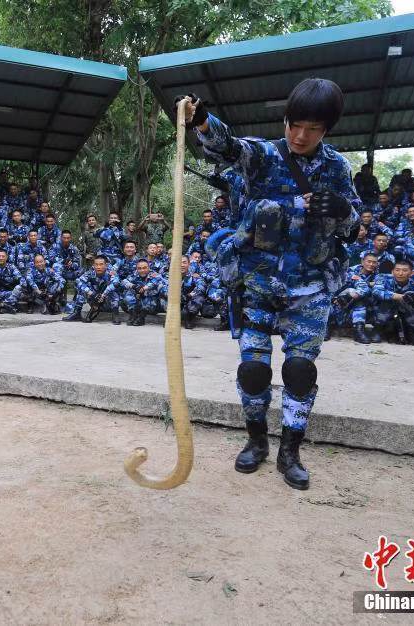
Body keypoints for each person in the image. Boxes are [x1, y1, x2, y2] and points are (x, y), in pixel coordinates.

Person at [180, 77, 360, 490]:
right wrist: (202, 120)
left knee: (299, 370)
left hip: (310, 285)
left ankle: (290, 450)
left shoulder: (337, 168)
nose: (300, 135)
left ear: (327, 130)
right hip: (257, 282)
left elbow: (352, 228)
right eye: (294, 124)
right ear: (285, 120)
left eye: (312, 129)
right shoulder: (262, 156)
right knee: (254, 370)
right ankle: (257, 441)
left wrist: (343, 210)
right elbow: (228, 147)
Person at [63, 255, 121, 324]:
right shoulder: (91, 272)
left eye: (101, 264)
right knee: (83, 287)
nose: (98, 267)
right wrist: (92, 294)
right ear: (94, 265)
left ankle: (115, 314)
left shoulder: (111, 272)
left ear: (106, 265)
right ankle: (77, 313)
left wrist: (103, 295)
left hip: (108, 303)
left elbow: (116, 282)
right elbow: (79, 281)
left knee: (113, 289)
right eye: (96, 265)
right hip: (95, 300)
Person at [120, 259, 163, 326]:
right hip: (138, 301)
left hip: (152, 304)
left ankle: (141, 317)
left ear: (149, 268)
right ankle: (133, 315)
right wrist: (133, 286)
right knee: (128, 292)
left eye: (144, 268)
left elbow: (155, 282)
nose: (142, 270)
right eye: (139, 268)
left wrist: (144, 288)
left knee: (150, 296)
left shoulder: (154, 275)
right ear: (137, 269)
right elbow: (123, 282)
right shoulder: (135, 274)